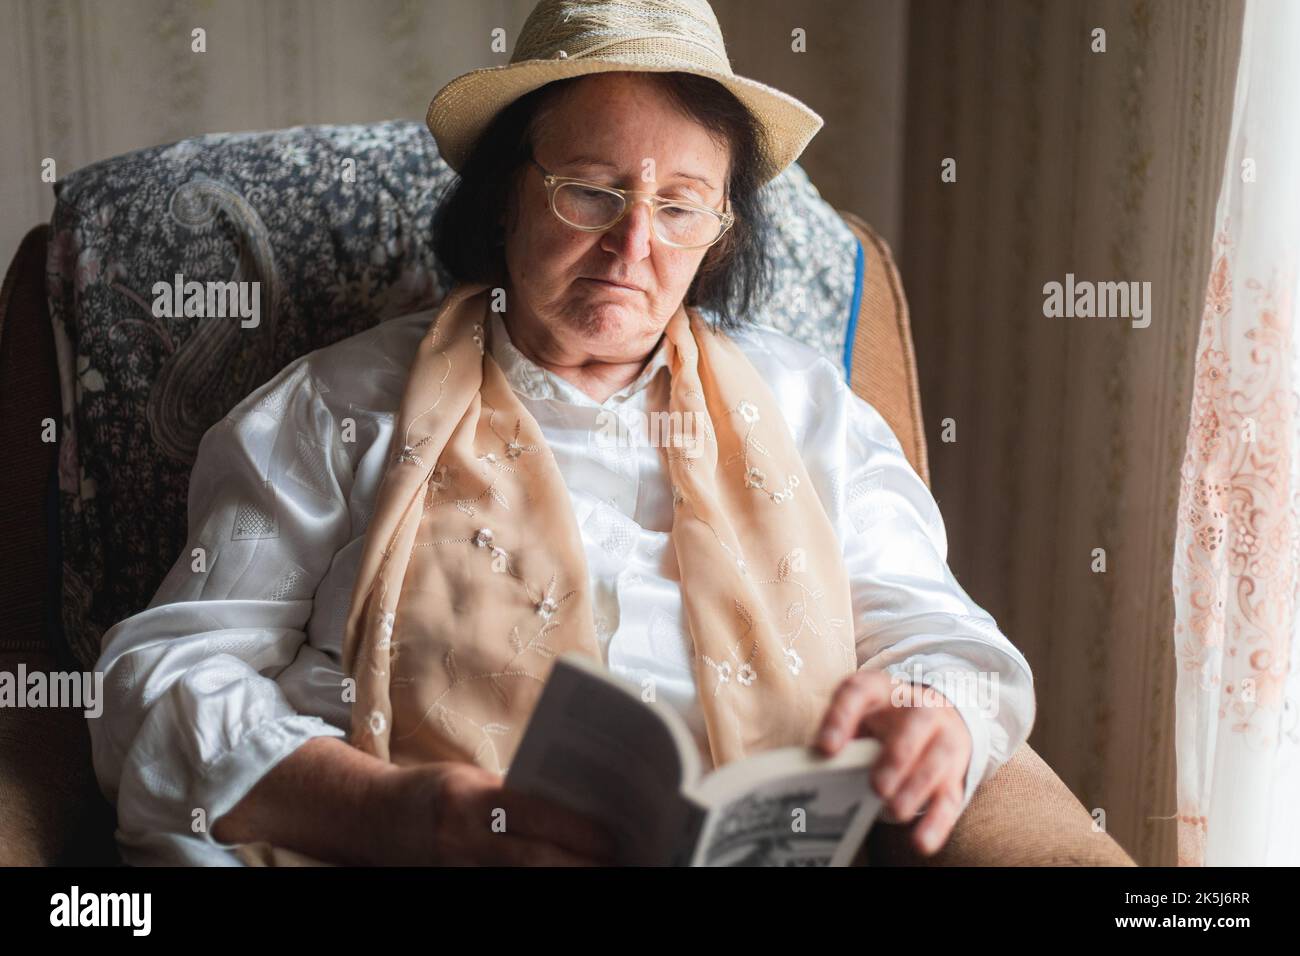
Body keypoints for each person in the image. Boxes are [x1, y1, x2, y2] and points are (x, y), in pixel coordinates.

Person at [89, 0, 1035, 867]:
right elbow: (160, 681)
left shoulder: (807, 411)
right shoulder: (335, 408)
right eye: (590, 191)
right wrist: (401, 815)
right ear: (506, 194)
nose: (634, 249)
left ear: (721, 230)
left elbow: (943, 641)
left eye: (678, 208)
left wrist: (932, 708)